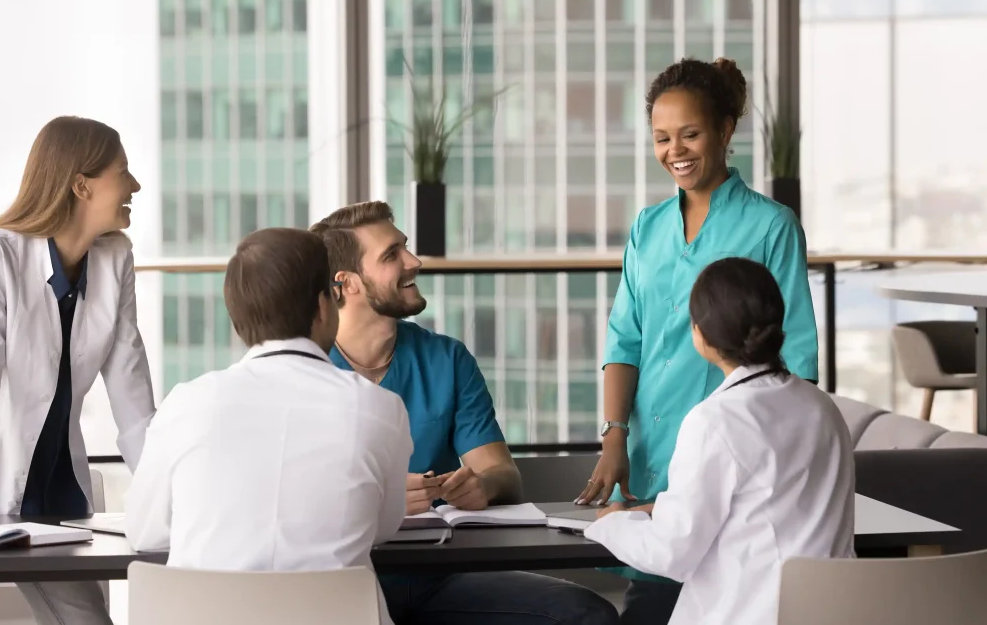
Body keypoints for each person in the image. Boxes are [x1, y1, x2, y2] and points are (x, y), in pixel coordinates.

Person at [575, 57, 819, 624]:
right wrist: (614, 439)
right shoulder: (648, 227)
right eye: (662, 138)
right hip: (650, 458)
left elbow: (798, 362)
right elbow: (623, 339)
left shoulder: (771, 225)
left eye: (690, 134)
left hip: (737, 463)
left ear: (725, 131)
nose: (674, 150)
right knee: (655, 594)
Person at [311, 201, 619, 625]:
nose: (413, 262)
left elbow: (503, 474)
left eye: (406, 247)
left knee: (586, 615)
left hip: (438, 580)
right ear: (346, 284)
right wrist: (378, 500)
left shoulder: (447, 358)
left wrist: (482, 486)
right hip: (337, 584)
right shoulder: (306, 370)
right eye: (391, 255)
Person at [125, 227, 411, 625]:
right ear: (323, 306)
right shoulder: (380, 407)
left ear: (239, 319)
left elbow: (144, 533)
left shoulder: (186, 404)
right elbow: (383, 526)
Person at [584, 257, 854, 625]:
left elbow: (671, 554)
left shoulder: (715, 420)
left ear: (700, 334)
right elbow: (764, 503)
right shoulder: (823, 407)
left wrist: (612, 523)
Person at [0, 116, 156, 625]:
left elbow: (133, 396)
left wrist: (165, 489)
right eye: (123, 172)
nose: (135, 185)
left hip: (57, 491)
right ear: (80, 184)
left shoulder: (116, 257)